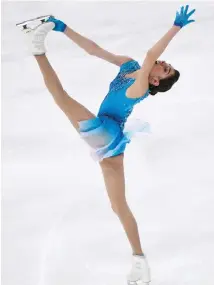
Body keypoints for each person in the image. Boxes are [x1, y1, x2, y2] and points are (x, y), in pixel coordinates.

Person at [18, 5, 195, 284]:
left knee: (62, 99)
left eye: (166, 68)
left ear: (156, 80)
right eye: (166, 63)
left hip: (107, 133)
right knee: (118, 205)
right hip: (113, 145)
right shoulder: (129, 66)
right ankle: (140, 261)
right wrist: (63, 28)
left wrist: (176, 28)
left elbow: (151, 55)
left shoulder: (140, 88)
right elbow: (95, 50)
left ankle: (36, 47)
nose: (163, 63)